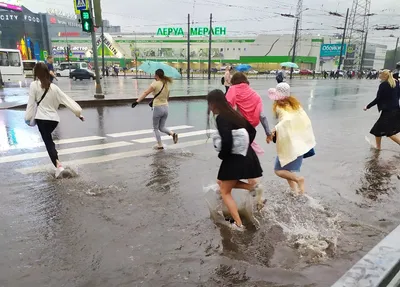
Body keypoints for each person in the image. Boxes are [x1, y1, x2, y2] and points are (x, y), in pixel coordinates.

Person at [207, 89, 263, 231]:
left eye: (209, 104)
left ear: (214, 103)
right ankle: (251, 187)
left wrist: (224, 155)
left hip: (235, 158)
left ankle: (238, 224)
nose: (209, 108)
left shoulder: (221, 117)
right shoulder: (234, 114)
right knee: (221, 182)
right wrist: (244, 145)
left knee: (225, 191)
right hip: (247, 155)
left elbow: (227, 139)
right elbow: (252, 131)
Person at [24, 63, 84, 178]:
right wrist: (78, 113)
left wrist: (27, 118)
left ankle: (58, 165)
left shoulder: (34, 85)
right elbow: (67, 100)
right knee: (49, 140)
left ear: (36, 73)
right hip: (54, 121)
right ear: (47, 72)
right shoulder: (54, 88)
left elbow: (31, 104)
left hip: (42, 119)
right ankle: (58, 163)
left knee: (48, 142)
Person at [268, 83, 316, 195]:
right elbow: (304, 121)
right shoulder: (296, 106)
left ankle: (299, 180)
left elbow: (285, 121)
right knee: (287, 170)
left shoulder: (279, 108)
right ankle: (297, 192)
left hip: (290, 144)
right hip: (298, 142)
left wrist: (273, 131)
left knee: (278, 170)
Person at [132, 69, 178, 149]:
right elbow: (167, 97)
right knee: (162, 127)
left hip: (158, 108)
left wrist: (137, 101)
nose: (154, 76)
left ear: (157, 75)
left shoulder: (155, 84)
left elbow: (146, 93)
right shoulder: (166, 84)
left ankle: (160, 145)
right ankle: (173, 134)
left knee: (155, 128)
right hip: (166, 107)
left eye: (154, 75)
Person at [364, 70, 400, 149]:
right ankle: (378, 147)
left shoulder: (383, 85)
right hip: (396, 110)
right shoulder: (396, 83)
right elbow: (398, 96)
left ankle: (378, 147)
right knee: (377, 130)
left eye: (380, 74)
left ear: (384, 76)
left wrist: (367, 106)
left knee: (389, 133)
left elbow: (378, 99)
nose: (379, 75)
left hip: (388, 112)